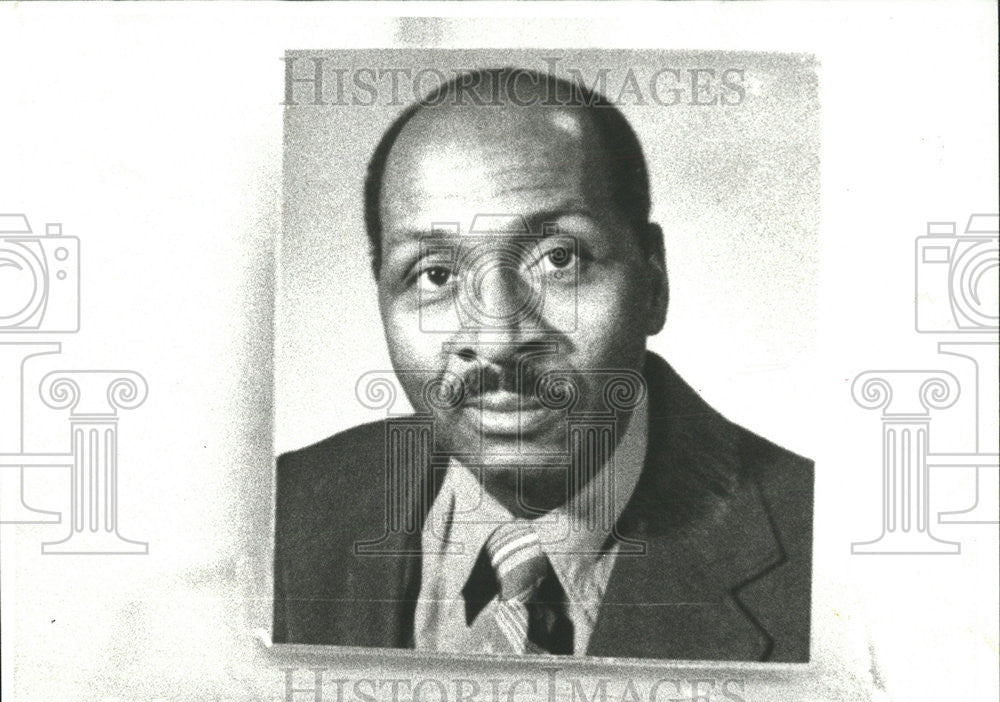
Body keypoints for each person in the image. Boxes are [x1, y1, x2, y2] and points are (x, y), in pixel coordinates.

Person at [273, 68, 813, 661]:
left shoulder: (820, 546)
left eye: (559, 259)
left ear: (653, 281)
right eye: (436, 274)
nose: (499, 339)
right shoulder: (283, 513)